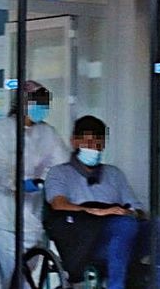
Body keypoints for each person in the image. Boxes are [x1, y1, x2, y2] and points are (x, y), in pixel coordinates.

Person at [45, 116, 149, 289]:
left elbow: (137, 208)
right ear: (74, 142)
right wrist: (97, 211)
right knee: (124, 225)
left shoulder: (114, 174)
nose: (93, 147)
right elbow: (58, 203)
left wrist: (130, 212)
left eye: (98, 142)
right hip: (84, 240)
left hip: (122, 235)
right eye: (88, 142)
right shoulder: (59, 173)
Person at [0, 81, 70, 288]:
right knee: (13, 272)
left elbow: (62, 165)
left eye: (44, 104)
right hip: (1, 215)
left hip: (31, 215)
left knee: (26, 271)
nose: (41, 109)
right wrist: (18, 182)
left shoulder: (47, 133)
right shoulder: (2, 129)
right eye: (37, 103)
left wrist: (52, 182)